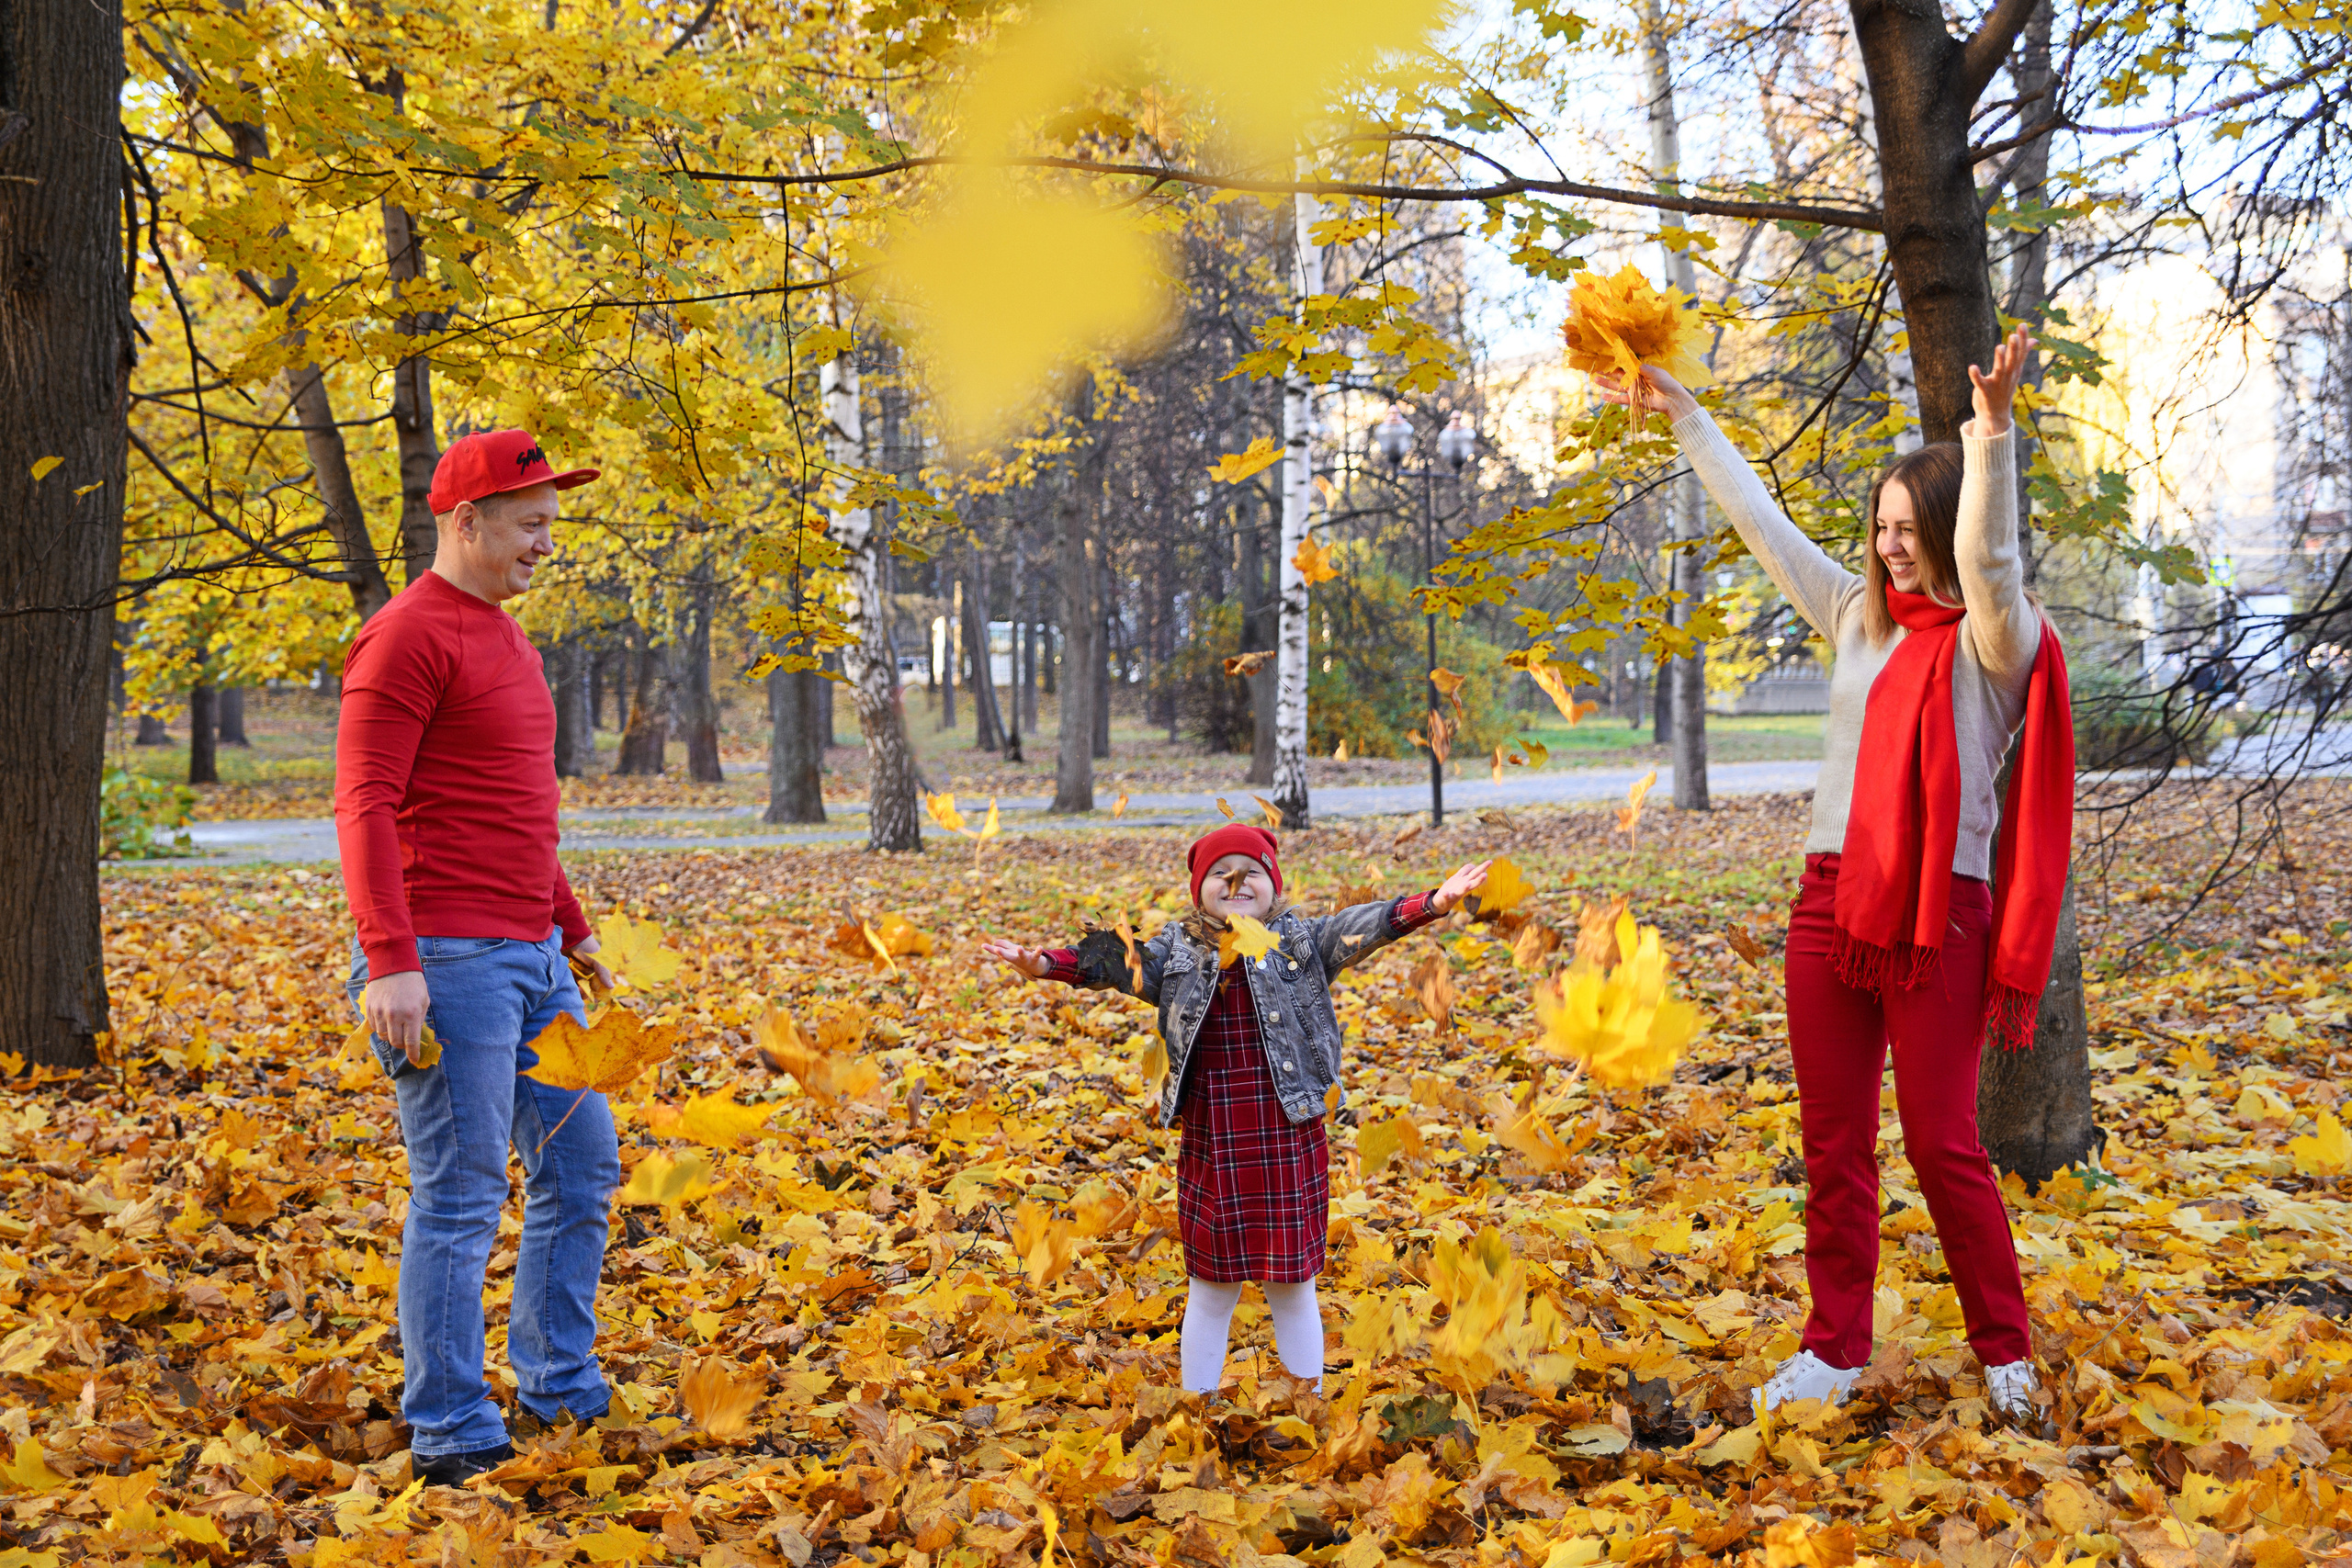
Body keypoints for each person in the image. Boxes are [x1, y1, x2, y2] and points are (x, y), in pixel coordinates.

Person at [1594, 325, 2075, 1425]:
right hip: (1830, 905)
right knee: (1833, 1144)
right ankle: (1832, 1347)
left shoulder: (1994, 642)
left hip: (1938, 918)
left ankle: (2003, 1354)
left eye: (1911, 528)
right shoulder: (1857, 617)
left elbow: (1992, 564)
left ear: (1948, 524)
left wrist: (1992, 431)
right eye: (1880, 526)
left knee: (1943, 1142)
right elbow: (1764, 528)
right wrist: (1686, 416)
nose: (1891, 546)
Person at [338, 429, 620, 1485]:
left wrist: (573, 924)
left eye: (551, 524)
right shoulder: (405, 636)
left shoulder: (507, 638)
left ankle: (557, 1383)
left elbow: (512, 808)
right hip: (444, 960)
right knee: (459, 1194)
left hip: (532, 954)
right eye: (531, 524)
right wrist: (390, 958)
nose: (547, 544)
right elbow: (365, 800)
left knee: (583, 1168)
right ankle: (453, 1427)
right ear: (467, 523)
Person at [981, 826, 1491, 1395]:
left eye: (1251, 872)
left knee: (1293, 1288)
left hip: (1286, 1137)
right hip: (1214, 1141)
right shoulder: (1176, 951)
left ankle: (1307, 1404)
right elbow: (1112, 962)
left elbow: (1364, 926)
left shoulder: (1301, 941)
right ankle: (1196, 1405)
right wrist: (1047, 963)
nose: (1236, 883)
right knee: (1211, 1288)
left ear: (1273, 884)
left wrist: (1432, 904)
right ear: (1199, 889)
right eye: (1221, 873)